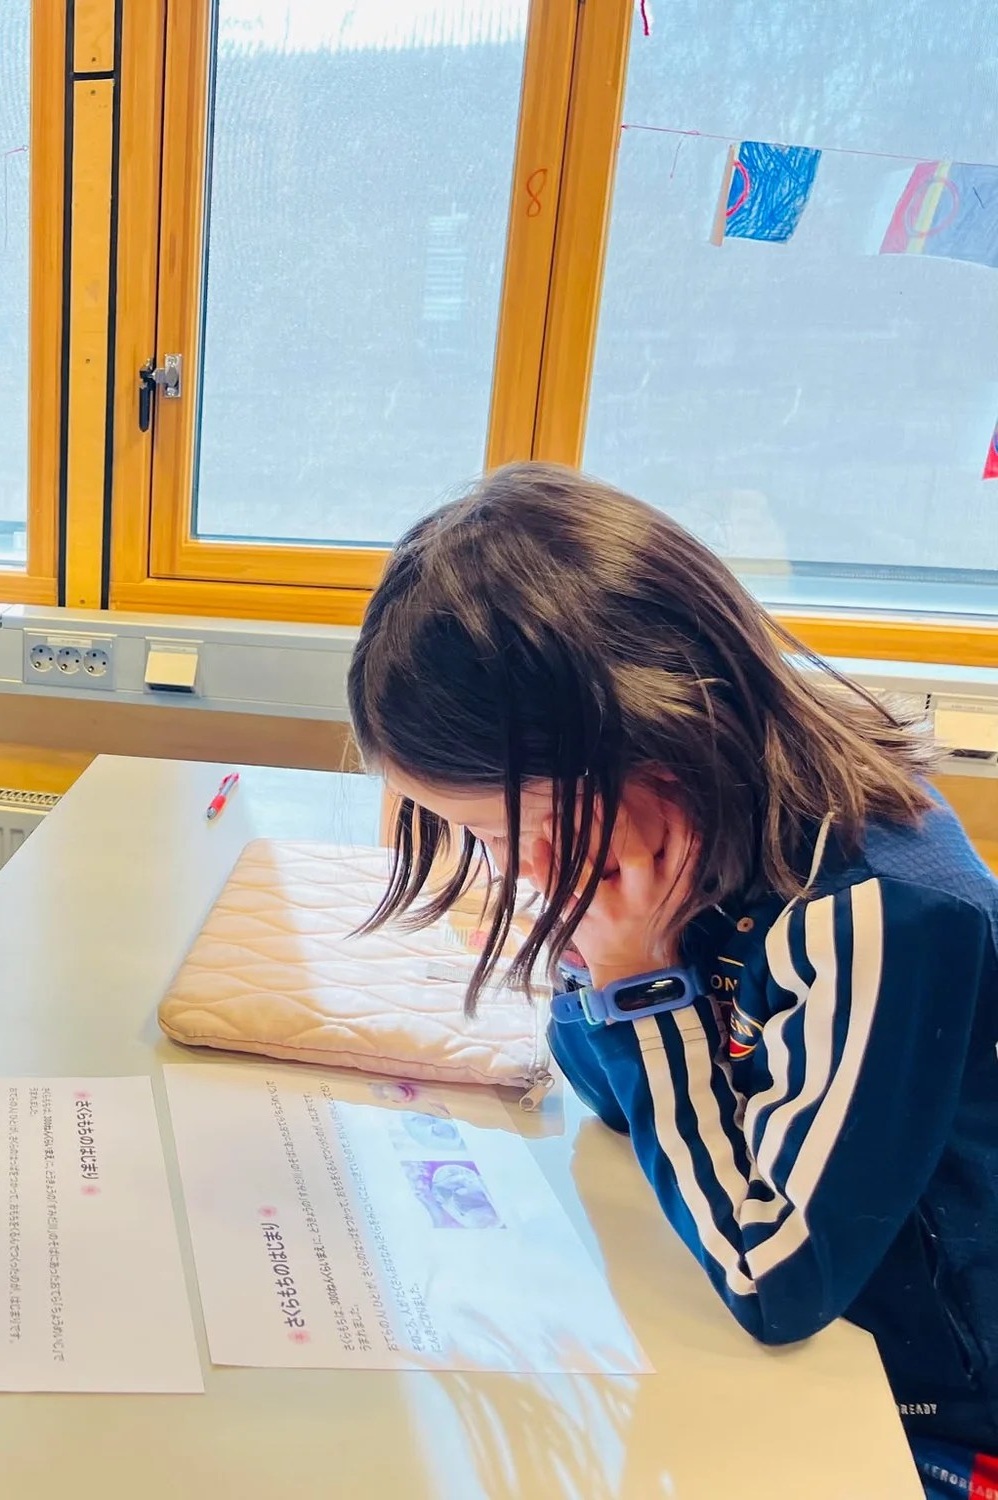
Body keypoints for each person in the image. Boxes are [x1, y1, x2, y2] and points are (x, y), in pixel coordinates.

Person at [347, 462, 998, 1496]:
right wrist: (605, 961)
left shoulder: (877, 913)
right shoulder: (699, 831)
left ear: (661, 749)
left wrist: (639, 981)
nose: (516, 869)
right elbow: (609, 1098)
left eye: (516, 829)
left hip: (926, 1406)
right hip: (825, 1352)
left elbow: (774, 1278)